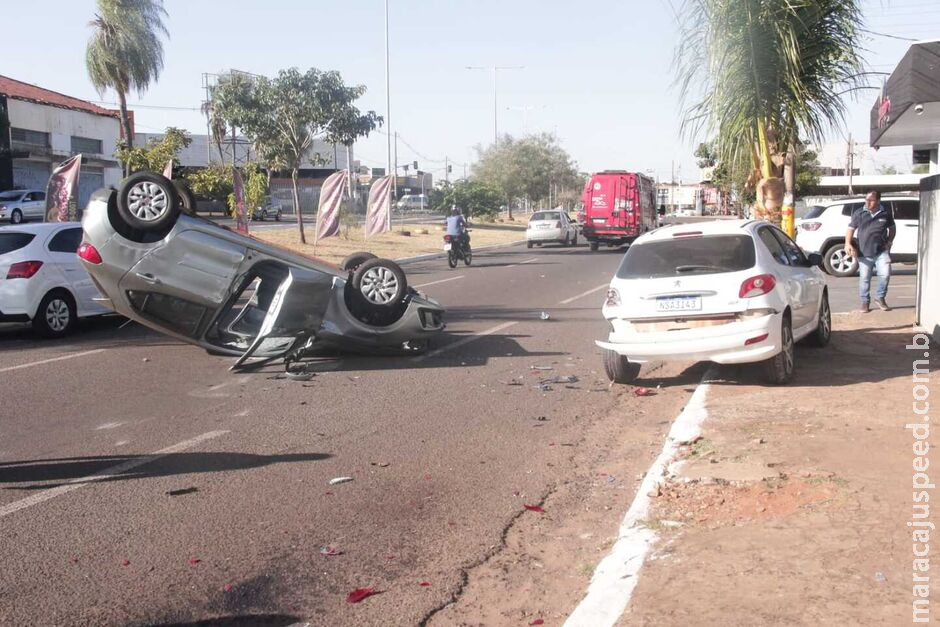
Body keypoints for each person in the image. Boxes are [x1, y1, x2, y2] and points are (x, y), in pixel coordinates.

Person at [845, 190, 895, 313]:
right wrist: (848, 243)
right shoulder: (859, 213)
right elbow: (850, 229)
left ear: (878, 201)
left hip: (881, 251)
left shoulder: (885, 213)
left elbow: (892, 229)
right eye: (866, 199)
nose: (868, 202)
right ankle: (864, 302)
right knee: (865, 278)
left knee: (885, 274)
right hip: (864, 252)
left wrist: (889, 242)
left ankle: (880, 297)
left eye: (871, 200)